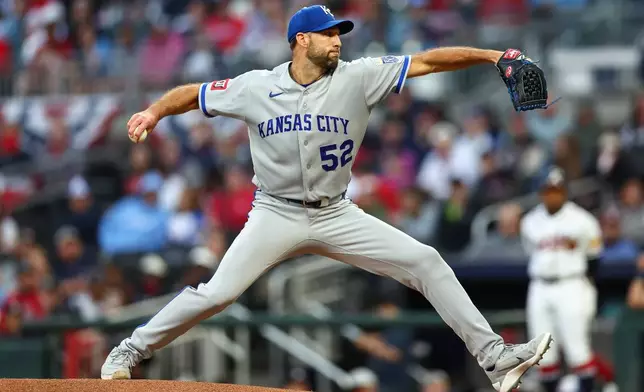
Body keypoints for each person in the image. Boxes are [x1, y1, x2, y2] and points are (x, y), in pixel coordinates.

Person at [101, 5, 552, 391]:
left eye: (339, 33)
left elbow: (429, 62)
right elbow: (194, 94)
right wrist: (155, 110)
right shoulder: (256, 85)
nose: (338, 41)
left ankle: (496, 358)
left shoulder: (359, 77)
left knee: (426, 261)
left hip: (336, 213)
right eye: (329, 34)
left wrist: (493, 55)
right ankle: (129, 349)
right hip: (275, 212)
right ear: (301, 40)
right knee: (217, 294)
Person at [520, 167, 602, 392]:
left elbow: (594, 259)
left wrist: (588, 292)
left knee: (578, 350)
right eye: (548, 191)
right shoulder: (529, 222)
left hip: (572, 284)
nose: (552, 195)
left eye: (556, 190)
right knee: (543, 355)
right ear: (541, 193)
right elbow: (529, 252)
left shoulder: (583, 220)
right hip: (539, 286)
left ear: (565, 192)